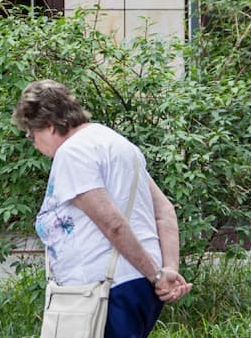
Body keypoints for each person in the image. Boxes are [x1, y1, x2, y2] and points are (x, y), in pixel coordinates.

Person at [13, 79, 192, 338]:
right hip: (134, 288)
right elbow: (164, 210)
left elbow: (113, 224)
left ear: (49, 126)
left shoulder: (73, 153)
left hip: (105, 292)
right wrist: (168, 270)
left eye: (32, 135)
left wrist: (156, 276)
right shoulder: (119, 144)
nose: (35, 145)